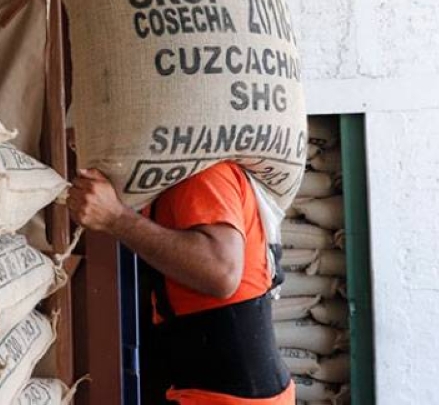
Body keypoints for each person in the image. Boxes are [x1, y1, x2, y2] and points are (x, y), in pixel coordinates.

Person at [67, 162, 295, 405]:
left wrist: (115, 218)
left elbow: (222, 271)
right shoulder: (181, 173)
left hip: (228, 395)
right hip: (221, 383)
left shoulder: (203, 173)